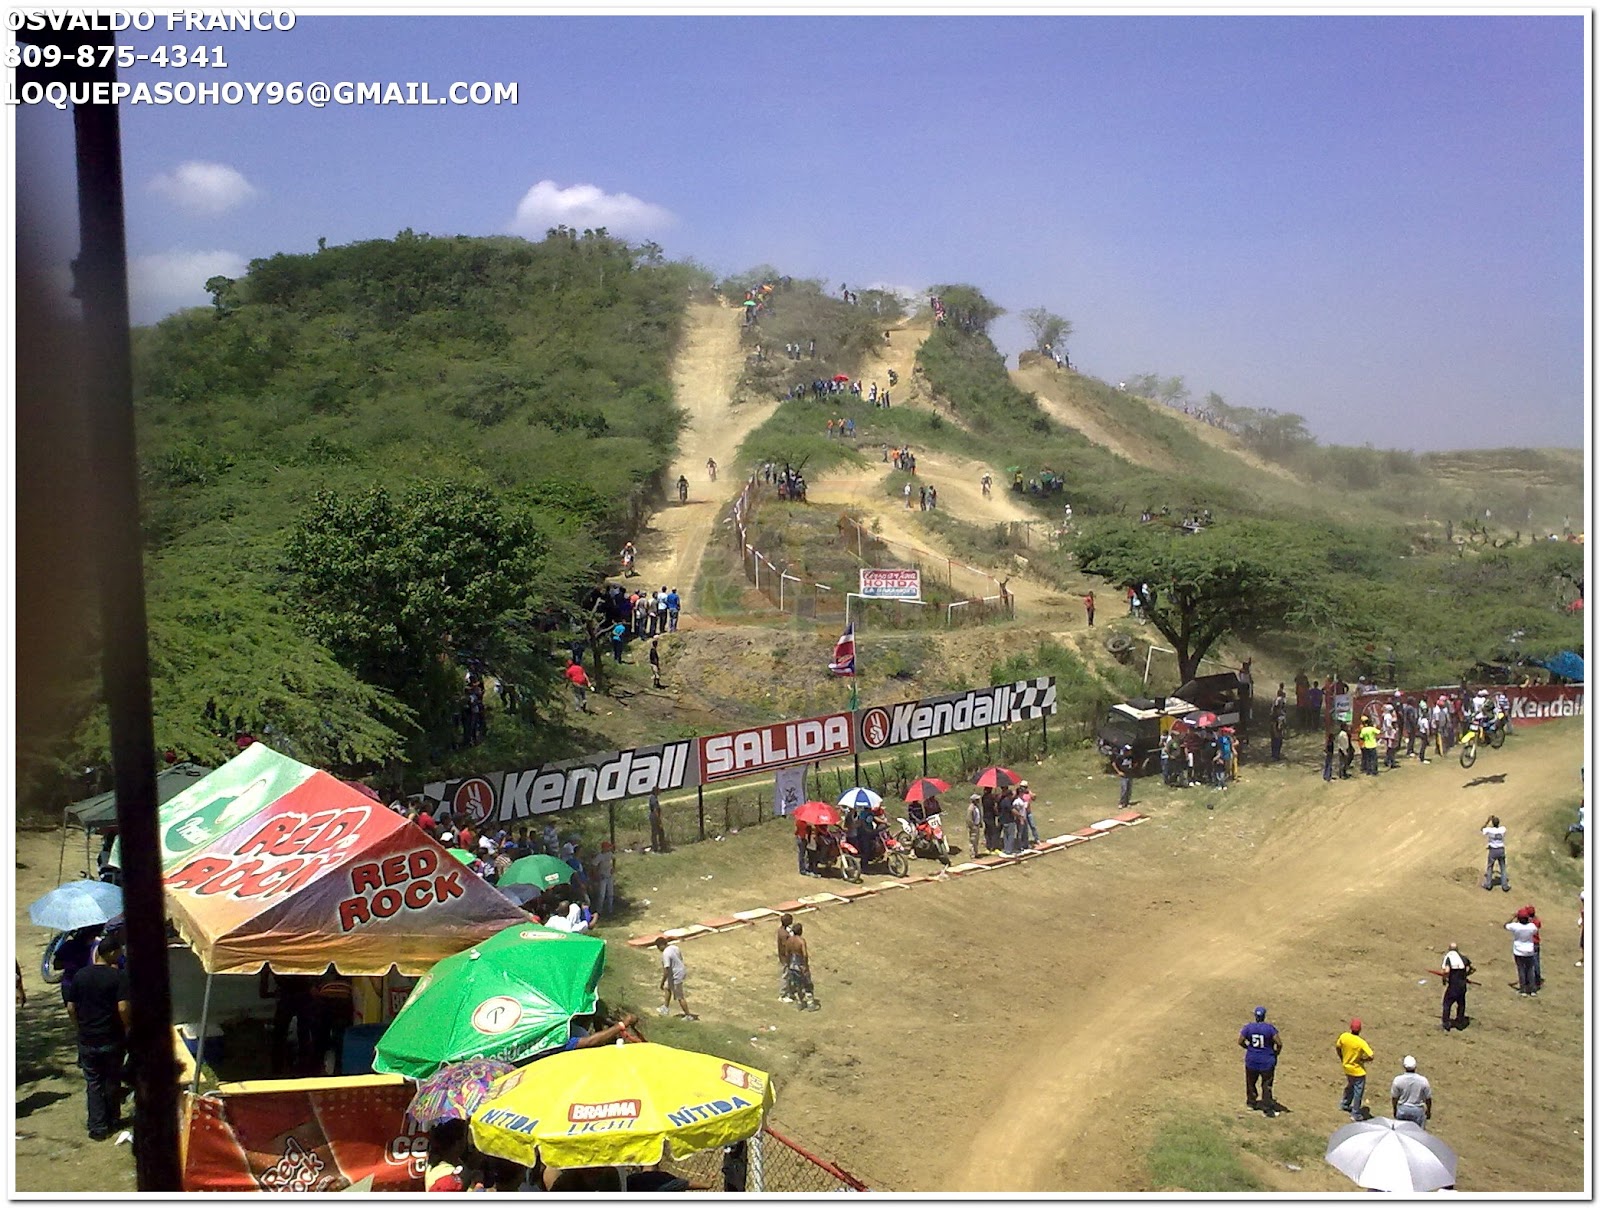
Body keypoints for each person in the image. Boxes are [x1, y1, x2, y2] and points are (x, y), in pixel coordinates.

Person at [64, 933, 130, 1141]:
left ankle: (97, 1127)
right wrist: (128, 1027)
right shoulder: (119, 977)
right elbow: (122, 1008)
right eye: (118, 952)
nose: (120, 955)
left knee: (93, 1082)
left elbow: (71, 1007)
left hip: (87, 1038)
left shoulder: (80, 976)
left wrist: (78, 1027)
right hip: (112, 1037)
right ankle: (113, 1118)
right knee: (111, 1080)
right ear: (110, 953)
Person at [1238, 1005, 1282, 1114]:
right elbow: (1279, 1043)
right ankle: (1267, 1106)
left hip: (1252, 1060)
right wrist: (1275, 1054)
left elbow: (1240, 1041)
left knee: (1251, 1082)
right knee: (1266, 1084)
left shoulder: (1248, 1027)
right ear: (1264, 1016)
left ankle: (1251, 1102)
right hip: (1267, 1062)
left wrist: (1249, 1048)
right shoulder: (1269, 1029)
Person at [1335, 1018, 1374, 1122]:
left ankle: (1345, 1103)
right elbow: (1371, 1055)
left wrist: (1342, 1057)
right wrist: (1362, 1060)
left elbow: (1338, 1047)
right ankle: (1355, 1113)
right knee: (1358, 1092)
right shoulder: (1361, 1043)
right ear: (1360, 1030)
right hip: (1358, 1071)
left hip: (1347, 1067)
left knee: (1350, 1085)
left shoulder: (1344, 1037)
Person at [654, 937, 697, 1019]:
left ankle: (688, 1015)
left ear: (661, 945)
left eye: (658, 947)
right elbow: (680, 958)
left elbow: (666, 970)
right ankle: (665, 1008)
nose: (658, 949)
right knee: (667, 987)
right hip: (678, 971)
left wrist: (661, 983)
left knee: (679, 996)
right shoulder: (675, 947)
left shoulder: (666, 954)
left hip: (676, 975)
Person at [1390, 1056, 1432, 1128]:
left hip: (1402, 1109)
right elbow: (1428, 1098)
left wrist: (1395, 1109)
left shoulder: (1398, 1080)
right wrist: (1428, 1111)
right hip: (1417, 1110)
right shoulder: (1423, 1081)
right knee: (1418, 1134)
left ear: (1404, 1066)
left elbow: (1394, 1098)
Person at [1440, 942, 1473, 1031]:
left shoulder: (1448, 957)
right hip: (1462, 985)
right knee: (1461, 1003)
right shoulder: (1463, 958)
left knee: (1447, 1003)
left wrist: (1444, 977)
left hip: (1453, 985)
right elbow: (1471, 968)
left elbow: (1446, 971)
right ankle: (1460, 1021)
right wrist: (1465, 975)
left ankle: (1446, 1023)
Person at [1506, 909, 1539, 996]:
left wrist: (1513, 917)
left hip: (1518, 951)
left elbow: (1506, 925)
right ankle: (1532, 990)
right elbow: (1536, 930)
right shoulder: (1531, 926)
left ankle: (1523, 989)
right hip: (1529, 951)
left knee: (1521, 970)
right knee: (1530, 970)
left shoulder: (1515, 926)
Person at [1482, 815, 1509, 891]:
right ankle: (1505, 886)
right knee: (1503, 867)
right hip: (1501, 849)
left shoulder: (1490, 830)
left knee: (1490, 867)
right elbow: (1502, 829)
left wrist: (1487, 821)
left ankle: (1488, 884)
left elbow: (1482, 829)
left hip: (1493, 850)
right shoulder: (1503, 829)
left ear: (1492, 823)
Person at [590, 840, 616, 917]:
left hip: (609, 876)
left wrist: (613, 868)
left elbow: (614, 859)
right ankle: (599, 911)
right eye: (607, 847)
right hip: (603, 877)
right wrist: (596, 875)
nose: (609, 848)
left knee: (610, 893)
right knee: (602, 895)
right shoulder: (600, 856)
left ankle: (610, 910)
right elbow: (593, 865)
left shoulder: (610, 854)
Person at [776, 914, 797, 1000]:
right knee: (786, 975)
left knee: (789, 975)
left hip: (785, 956)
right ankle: (783, 995)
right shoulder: (784, 934)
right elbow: (786, 946)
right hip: (786, 957)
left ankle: (789, 991)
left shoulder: (782, 930)